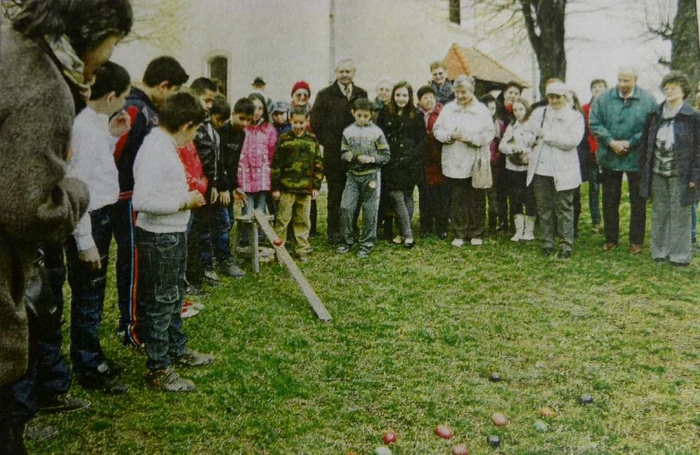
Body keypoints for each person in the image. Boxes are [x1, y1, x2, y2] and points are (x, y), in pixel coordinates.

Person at [1, 0, 132, 451]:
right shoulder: (42, 83)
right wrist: (76, 191)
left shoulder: (8, 47)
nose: (104, 62)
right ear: (92, 32)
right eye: (110, 48)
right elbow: (30, 210)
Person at [132, 92, 213, 392]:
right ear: (185, 125)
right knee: (161, 300)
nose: (193, 137)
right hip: (159, 237)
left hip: (173, 234)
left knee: (176, 293)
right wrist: (183, 201)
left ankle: (175, 348)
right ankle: (158, 368)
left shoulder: (165, 145)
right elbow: (141, 200)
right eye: (194, 130)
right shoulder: (156, 149)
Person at [65, 62, 132, 394]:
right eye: (123, 98)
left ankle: (92, 355)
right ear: (110, 96)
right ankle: (89, 366)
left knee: (94, 293)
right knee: (88, 296)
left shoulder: (96, 126)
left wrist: (112, 138)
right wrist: (84, 240)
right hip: (90, 221)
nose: (124, 104)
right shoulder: (82, 128)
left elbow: (98, 166)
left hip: (102, 216)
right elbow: (75, 185)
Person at [113, 55, 189, 347]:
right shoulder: (135, 108)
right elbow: (117, 154)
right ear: (164, 85)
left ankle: (143, 320)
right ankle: (131, 326)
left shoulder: (148, 108)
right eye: (173, 92)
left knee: (144, 266)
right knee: (131, 264)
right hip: (129, 199)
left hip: (141, 199)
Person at [590, 66, 657, 255]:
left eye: (626, 80)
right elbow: (595, 122)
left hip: (636, 158)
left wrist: (630, 142)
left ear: (635, 80)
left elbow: (650, 126)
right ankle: (611, 239)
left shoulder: (648, 100)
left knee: (638, 201)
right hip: (610, 156)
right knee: (610, 199)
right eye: (619, 79)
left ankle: (636, 241)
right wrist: (611, 142)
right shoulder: (603, 98)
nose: (622, 84)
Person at [638, 71, 700, 266]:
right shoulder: (655, 115)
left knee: (681, 213)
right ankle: (659, 251)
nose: (669, 90)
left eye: (674, 87)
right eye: (666, 87)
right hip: (657, 172)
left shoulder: (692, 117)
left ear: (683, 91)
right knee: (660, 211)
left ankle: (679, 255)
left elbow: (698, 149)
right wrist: (643, 170)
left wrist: (695, 175)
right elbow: (645, 145)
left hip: (680, 174)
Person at [311, 58, 368, 245]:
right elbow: (315, 123)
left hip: (355, 154)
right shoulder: (325, 94)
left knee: (354, 192)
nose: (345, 75)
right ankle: (334, 231)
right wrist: (329, 142)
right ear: (336, 73)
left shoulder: (361, 94)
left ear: (354, 73)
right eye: (341, 71)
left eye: (348, 71)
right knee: (336, 193)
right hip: (334, 154)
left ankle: (351, 228)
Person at [433, 75, 495, 247]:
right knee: (458, 197)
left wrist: (473, 139)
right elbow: (437, 129)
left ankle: (476, 232)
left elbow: (490, 132)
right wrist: (450, 136)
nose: (460, 96)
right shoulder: (448, 109)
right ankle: (459, 232)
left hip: (475, 159)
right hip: (454, 159)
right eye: (457, 92)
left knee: (476, 197)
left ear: (472, 91)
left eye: (464, 92)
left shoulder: (481, 110)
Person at [527, 82, 585, 258]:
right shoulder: (539, 113)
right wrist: (530, 141)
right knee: (544, 209)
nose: (554, 100)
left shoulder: (574, 117)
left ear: (565, 97)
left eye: (558, 97)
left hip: (563, 169)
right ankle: (547, 243)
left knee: (564, 208)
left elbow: (571, 141)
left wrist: (547, 136)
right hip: (541, 168)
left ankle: (566, 244)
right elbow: (530, 131)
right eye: (551, 97)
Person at [336, 98, 391, 258]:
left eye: (365, 116)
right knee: (346, 207)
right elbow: (343, 152)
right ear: (353, 113)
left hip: (371, 176)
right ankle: (346, 241)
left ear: (371, 115)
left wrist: (372, 159)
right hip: (353, 176)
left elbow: (386, 155)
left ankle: (366, 244)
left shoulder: (377, 132)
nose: (362, 119)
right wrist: (348, 156)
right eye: (359, 115)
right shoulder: (348, 132)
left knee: (369, 210)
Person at [377, 82, 427, 248]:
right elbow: (380, 136)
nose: (401, 99)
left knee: (407, 197)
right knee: (396, 196)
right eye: (398, 95)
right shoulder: (385, 113)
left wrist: (411, 157)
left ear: (409, 97)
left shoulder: (417, 115)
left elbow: (422, 140)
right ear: (393, 96)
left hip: (410, 163)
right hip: (392, 163)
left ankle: (401, 233)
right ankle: (408, 234)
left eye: (404, 95)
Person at [271, 106, 324, 261]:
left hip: (305, 189)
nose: (298, 125)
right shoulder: (283, 139)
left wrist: (316, 185)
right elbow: (276, 164)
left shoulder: (312, 140)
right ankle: (279, 249)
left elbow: (318, 163)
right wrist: (275, 188)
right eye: (295, 122)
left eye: (301, 122)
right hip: (286, 188)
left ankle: (302, 248)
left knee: (302, 220)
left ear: (307, 121)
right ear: (290, 120)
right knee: (283, 219)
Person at [237, 93, 278, 242]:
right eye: (254, 108)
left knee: (260, 212)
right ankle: (246, 241)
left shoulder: (269, 130)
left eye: (260, 108)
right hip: (245, 178)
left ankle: (259, 241)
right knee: (247, 211)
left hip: (262, 178)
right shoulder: (242, 128)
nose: (257, 112)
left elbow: (272, 154)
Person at [499, 97, 536, 242]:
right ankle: (518, 230)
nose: (518, 113)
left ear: (526, 109)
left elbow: (537, 145)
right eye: (515, 110)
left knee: (530, 198)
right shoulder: (512, 126)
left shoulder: (533, 126)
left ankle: (529, 231)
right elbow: (502, 145)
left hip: (528, 168)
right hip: (513, 168)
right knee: (515, 198)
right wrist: (513, 149)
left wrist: (528, 153)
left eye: (521, 109)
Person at [416, 85, 449, 240]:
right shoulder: (416, 115)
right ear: (419, 101)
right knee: (425, 195)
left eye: (431, 97)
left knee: (440, 195)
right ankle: (425, 226)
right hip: (423, 161)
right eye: (424, 97)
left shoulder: (442, 113)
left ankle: (441, 227)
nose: (428, 100)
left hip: (439, 160)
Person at [495, 82, 524, 232]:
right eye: (510, 92)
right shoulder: (497, 109)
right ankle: (502, 219)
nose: (512, 96)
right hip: (498, 156)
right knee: (500, 190)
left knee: (514, 191)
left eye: (516, 93)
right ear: (504, 93)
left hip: (514, 158)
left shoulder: (519, 111)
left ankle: (515, 221)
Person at [581, 79, 608, 234]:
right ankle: (596, 221)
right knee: (594, 188)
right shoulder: (585, 109)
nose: (597, 90)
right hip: (591, 155)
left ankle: (608, 220)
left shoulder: (611, 108)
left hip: (608, 154)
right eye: (595, 87)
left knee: (608, 189)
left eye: (601, 87)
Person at [480, 94, 506, 234]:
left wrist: (496, 156)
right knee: (479, 193)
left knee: (492, 193)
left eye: (492, 108)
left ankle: (492, 223)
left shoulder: (499, 124)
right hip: (480, 162)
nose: (490, 111)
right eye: (487, 108)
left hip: (494, 163)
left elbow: (501, 142)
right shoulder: (477, 123)